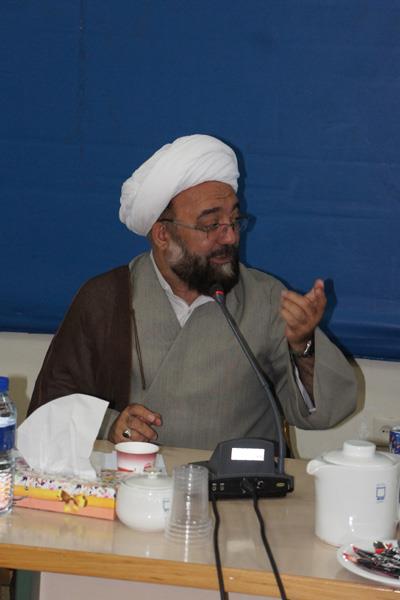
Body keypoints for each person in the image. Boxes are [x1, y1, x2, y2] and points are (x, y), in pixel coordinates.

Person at [28, 134, 357, 450]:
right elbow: (50, 408)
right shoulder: (106, 298)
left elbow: (325, 414)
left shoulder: (267, 297)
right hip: (134, 482)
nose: (230, 237)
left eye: (234, 220)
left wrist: (304, 345)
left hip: (241, 485)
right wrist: (109, 426)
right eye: (211, 225)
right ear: (162, 235)